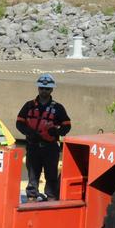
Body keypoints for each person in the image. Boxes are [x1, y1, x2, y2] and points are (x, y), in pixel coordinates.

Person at [16, 73, 71, 201]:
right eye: (41, 88)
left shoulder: (58, 108)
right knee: (32, 174)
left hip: (50, 148)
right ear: (38, 88)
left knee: (51, 174)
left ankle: (51, 197)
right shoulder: (29, 105)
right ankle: (31, 196)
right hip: (33, 146)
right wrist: (29, 132)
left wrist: (56, 132)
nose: (44, 91)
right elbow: (19, 122)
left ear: (51, 89)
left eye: (47, 89)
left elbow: (67, 125)